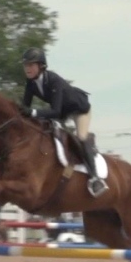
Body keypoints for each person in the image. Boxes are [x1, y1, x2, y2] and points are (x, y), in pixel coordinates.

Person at [17, 47, 108, 197]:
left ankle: (95, 178)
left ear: (41, 66)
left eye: (31, 65)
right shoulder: (31, 84)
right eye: (25, 65)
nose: (27, 68)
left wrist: (33, 112)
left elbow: (55, 111)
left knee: (81, 137)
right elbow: (24, 108)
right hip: (62, 112)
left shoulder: (53, 80)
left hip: (79, 109)